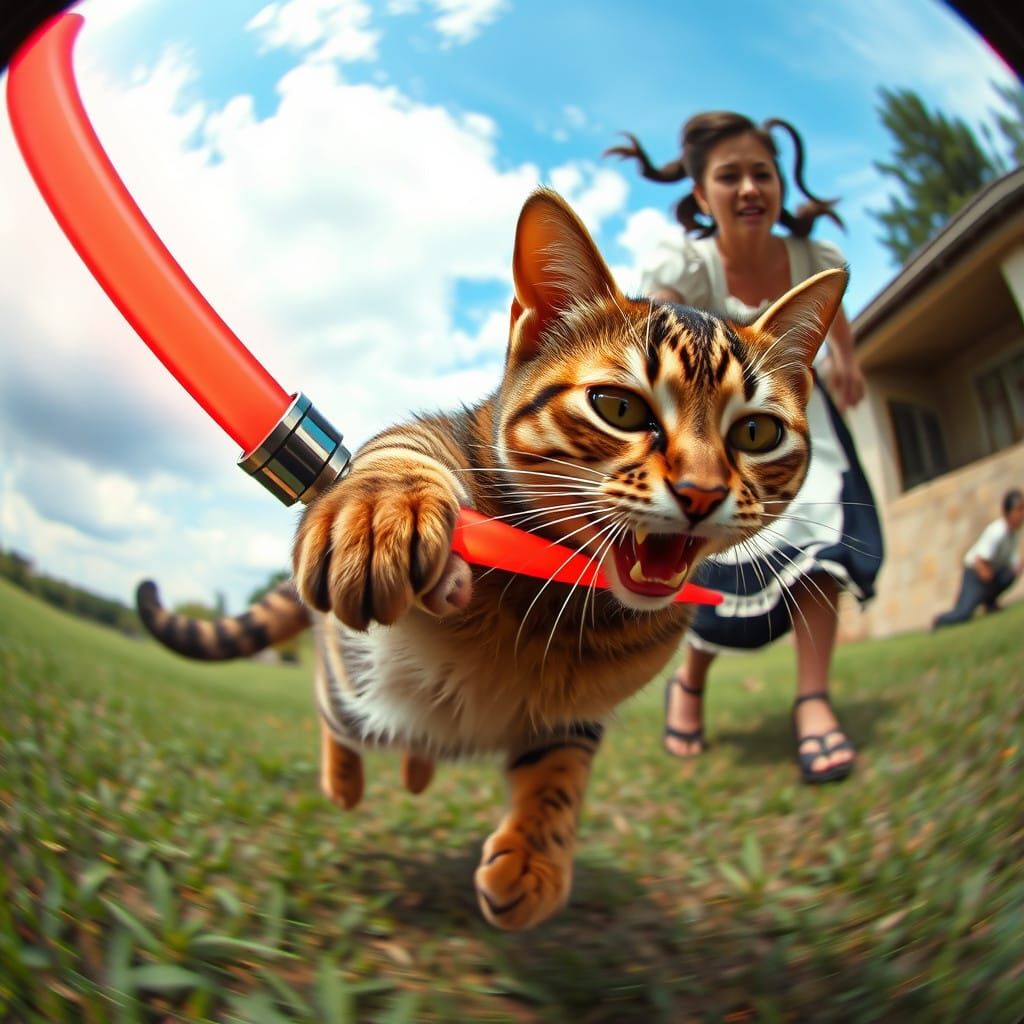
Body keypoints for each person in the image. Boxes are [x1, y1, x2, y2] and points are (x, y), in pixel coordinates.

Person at [606, 111, 884, 784]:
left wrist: (844, 362)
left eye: (763, 173)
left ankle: (813, 701)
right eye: (729, 176)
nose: (750, 188)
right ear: (702, 196)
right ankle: (692, 681)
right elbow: (658, 333)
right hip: (710, 437)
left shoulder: (815, 261)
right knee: (718, 576)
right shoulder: (686, 265)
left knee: (825, 553)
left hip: (790, 428)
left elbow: (830, 315)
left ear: (780, 185)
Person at [933, 488, 1024, 628]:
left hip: (990, 573)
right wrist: (982, 589)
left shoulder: (1013, 535)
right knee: (963, 613)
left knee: (1009, 574)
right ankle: (939, 621)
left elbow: (1013, 564)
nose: (1022, 514)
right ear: (1008, 513)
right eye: (1019, 509)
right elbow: (979, 561)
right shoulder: (997, 532)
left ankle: (990, 604)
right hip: (975, 573)